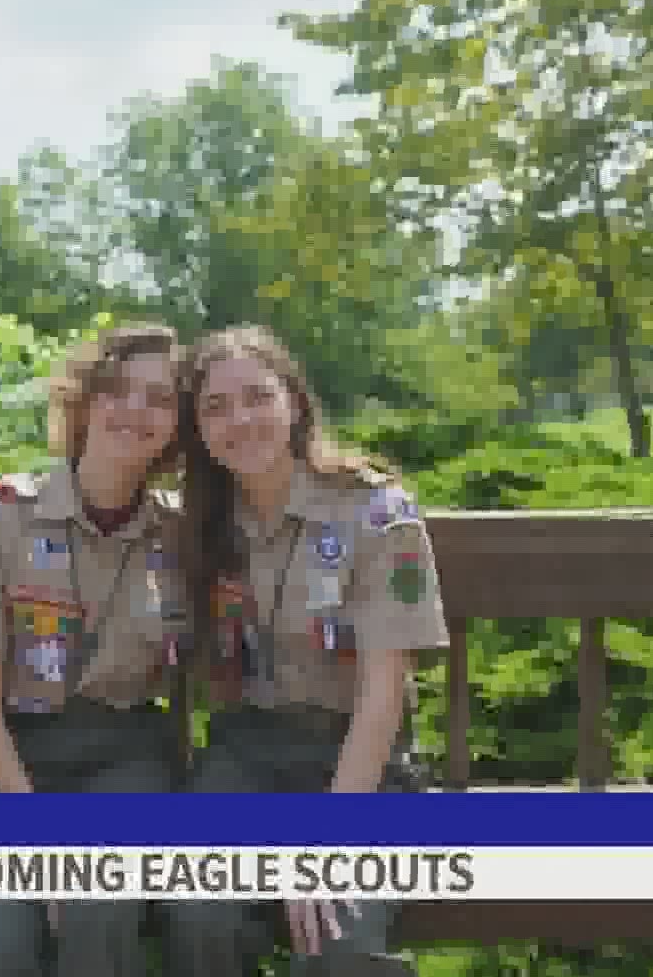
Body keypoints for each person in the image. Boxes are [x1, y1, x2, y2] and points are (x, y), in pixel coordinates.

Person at [162, 325, 448, 977]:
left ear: (294, 401)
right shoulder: (196, 523)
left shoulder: (375, 511)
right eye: (215, 407)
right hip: (245, 761)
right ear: (198, 430)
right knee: (196, 913)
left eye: (257, 397)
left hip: (359, 766)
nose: (240, 420)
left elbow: (382, 695)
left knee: (336, 944)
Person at [0, 323, 188, 977]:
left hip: (125, 761)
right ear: (82, 401)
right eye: (117, 390)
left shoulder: (183, 534)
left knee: (97, 911)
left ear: (177, 425)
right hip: (8, 763)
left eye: (159, 399)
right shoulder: (0, 517)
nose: (136, 410)